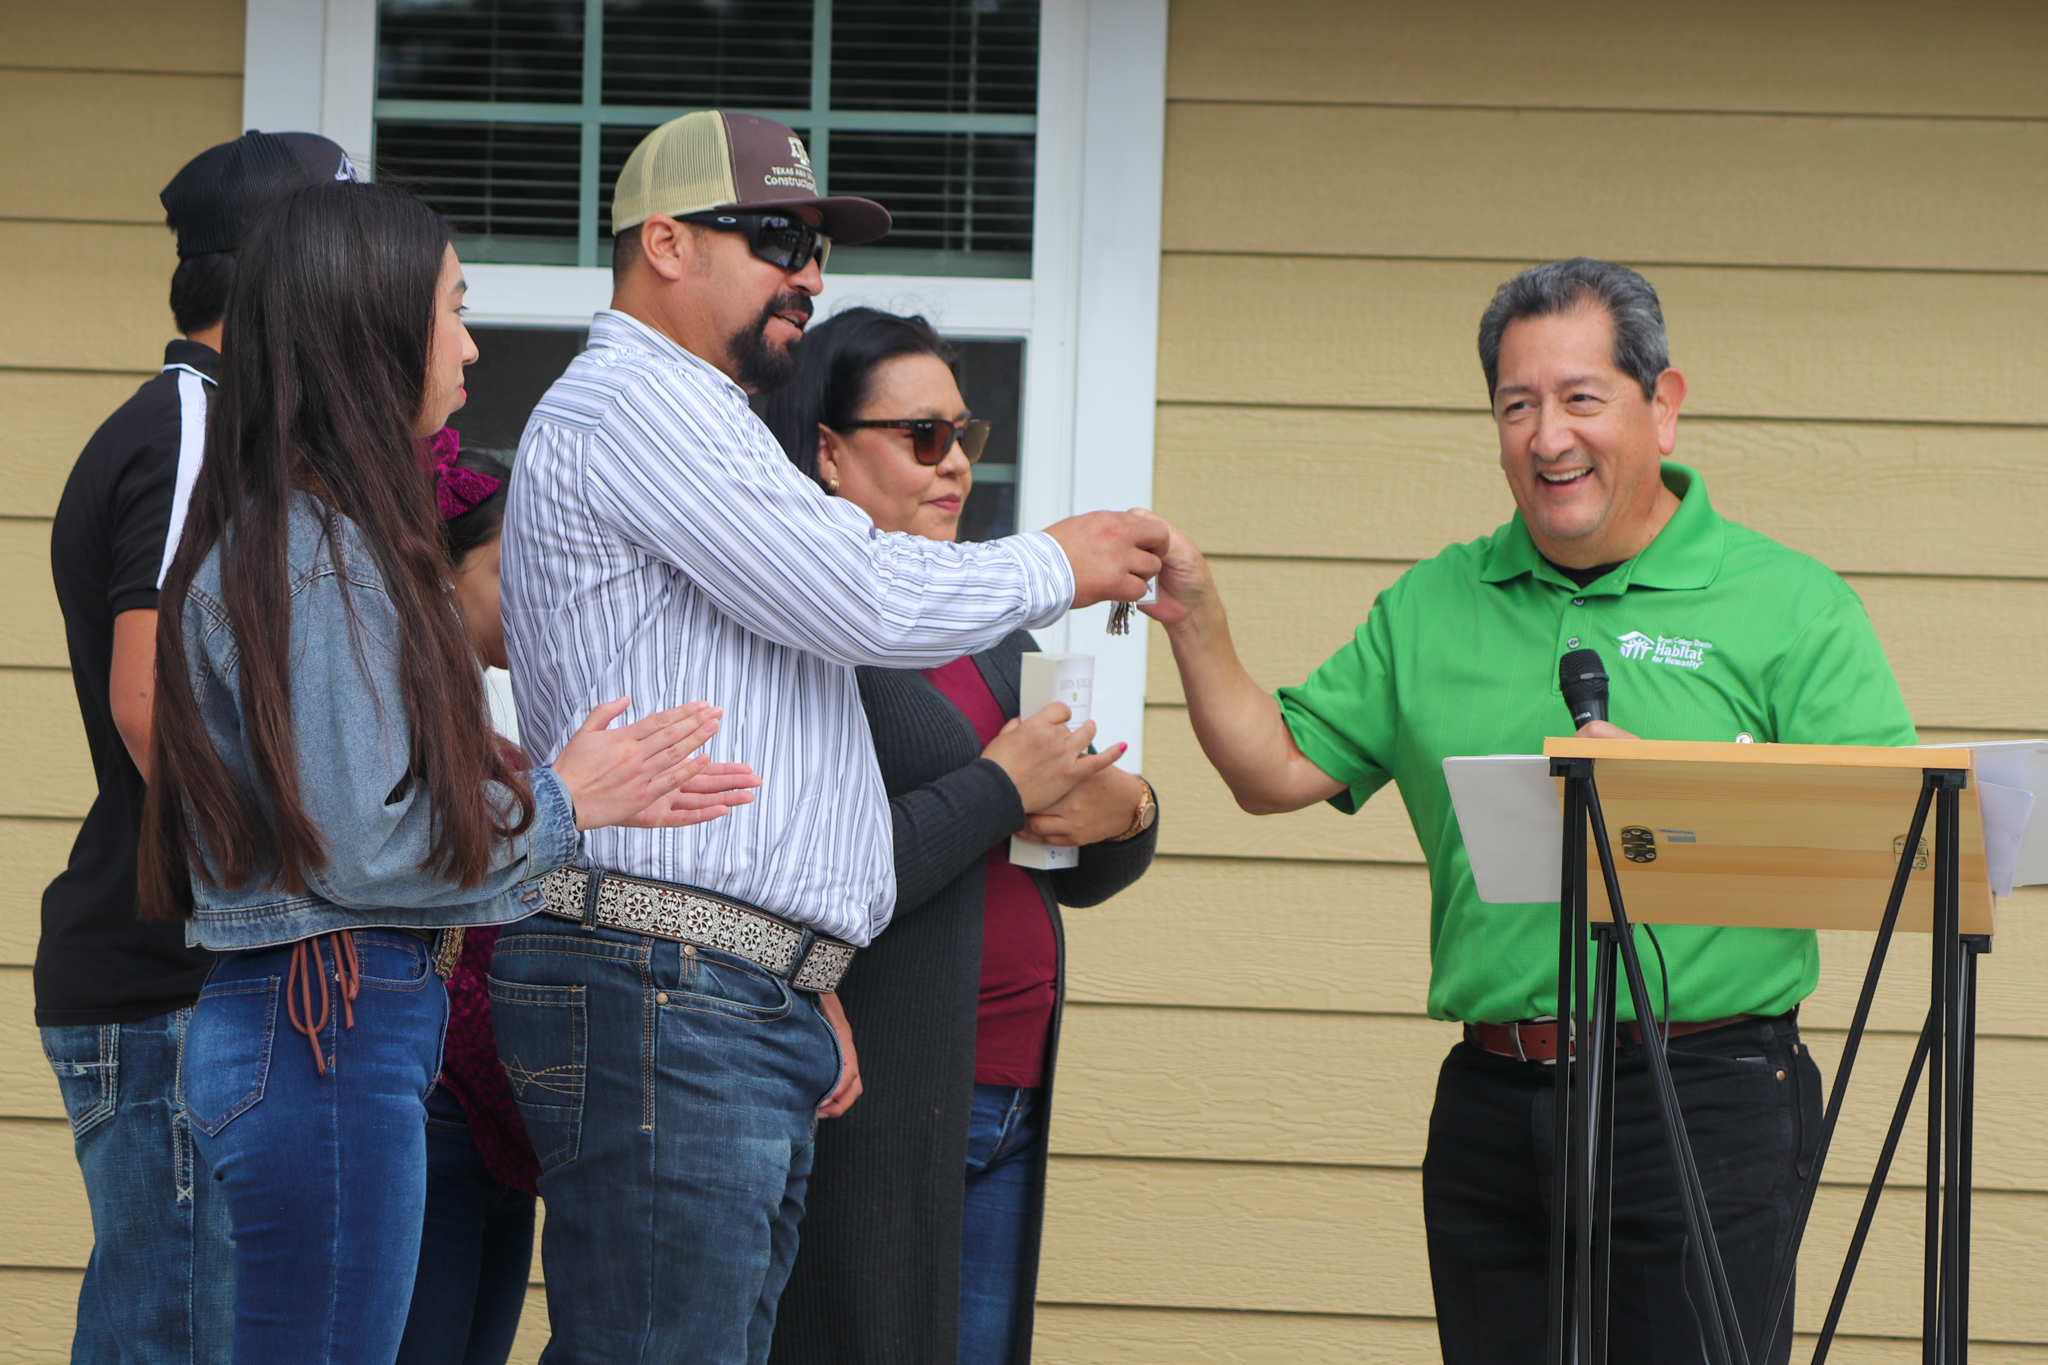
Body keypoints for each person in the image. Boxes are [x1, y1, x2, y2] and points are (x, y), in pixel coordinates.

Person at [1143, 257, 1916, 1365]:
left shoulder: (1786, 602)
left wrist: (1675, 798)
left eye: (1579, 398)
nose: (1545, 435)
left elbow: (1884, 838)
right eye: (1516, 405)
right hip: (1494, 1100)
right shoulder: (1432, 600)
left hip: (1700, 1092)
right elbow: (1271, 771)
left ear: (1663, 404)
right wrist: (1198, 625)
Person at [495, 111, 1169, 1365]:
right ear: (663, 243)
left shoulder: (703, 423)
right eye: (772, 238)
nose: (806, 272)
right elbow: (865, 596)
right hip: (664, 981)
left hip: (724, 989)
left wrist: (807, 969)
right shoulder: (640, 405)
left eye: (814, 245)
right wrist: (1057, 560)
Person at [138, 178, 749, 1365]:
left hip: (323, 1023)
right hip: (325, 1029)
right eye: (454, 309)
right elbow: (366, 845)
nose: (471, 343)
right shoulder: (319, 550)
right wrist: (571, 798)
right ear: (366, 325)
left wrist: (563, 802)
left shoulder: (308, 534)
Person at [756, 308, 1161, 1365]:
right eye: (921, 438)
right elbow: (819, 870)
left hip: (1011, 1084)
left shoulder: (985, 625)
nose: (954, 468)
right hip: (880, 1088)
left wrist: (1129, 813)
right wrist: (995, 785)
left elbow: (1062, 860)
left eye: (964, 437)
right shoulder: (807, 639)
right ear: (829, 452)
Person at [38, 128, 353, 1365]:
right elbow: (146, 698)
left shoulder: (245, 429)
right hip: (170, 982)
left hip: (199, 981)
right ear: (282, 270)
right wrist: (306, 884)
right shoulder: (193, 425)